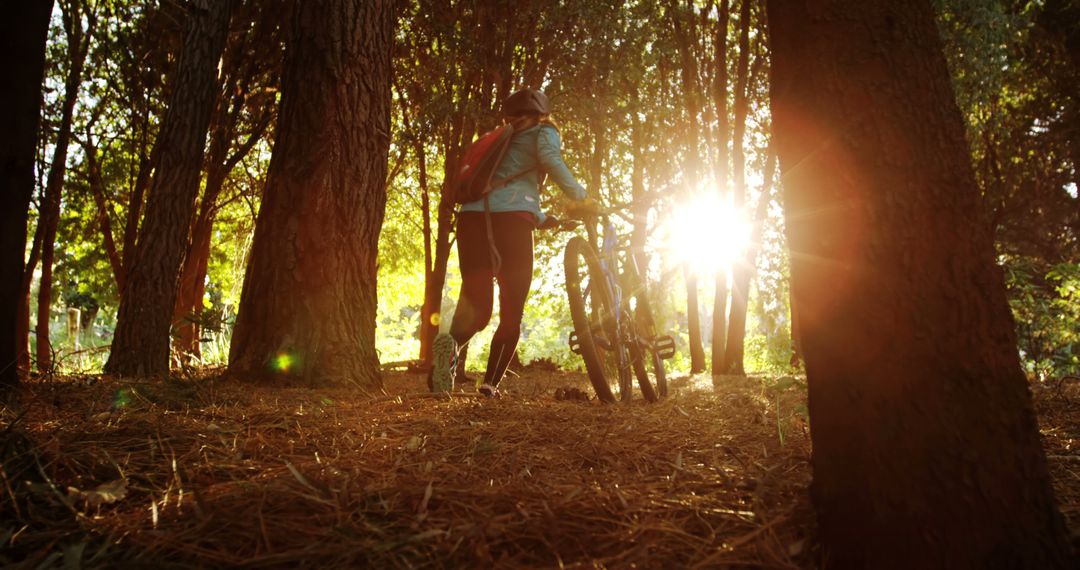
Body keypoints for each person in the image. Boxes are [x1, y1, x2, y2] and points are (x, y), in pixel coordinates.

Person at [431, 87, 592, 397]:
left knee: (478, 308)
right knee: (511, 311)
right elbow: (548, 161)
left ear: (509, 115)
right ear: (542, 113)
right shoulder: (543, 131)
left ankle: (447, 354)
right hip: (512, 225)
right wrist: (580, 197)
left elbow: (502, 189)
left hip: (472, 221)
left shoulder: (497, 141)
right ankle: (490, 385)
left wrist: (544, 219)